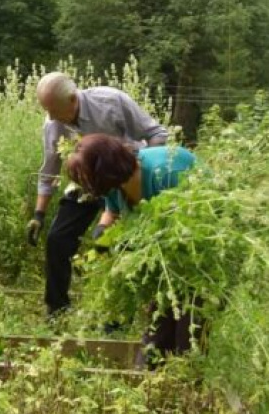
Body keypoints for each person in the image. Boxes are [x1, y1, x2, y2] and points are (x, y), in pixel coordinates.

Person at [27, 72, 169, 317]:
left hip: (124, 178)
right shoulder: (53, 124)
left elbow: (157, 134)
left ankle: (123, 312)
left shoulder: (111, 102)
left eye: (54, 110)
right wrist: (39, 214)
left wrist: (142, 171)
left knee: (122, 244)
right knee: (58, 238)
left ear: (72, 99)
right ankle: (57, 309)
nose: (50, 117)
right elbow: (50, 168)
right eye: (46, 110)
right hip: (85, 184)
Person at [66, 134, 199, 367]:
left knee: (188, 331)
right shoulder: (116, 185)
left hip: (198, 252)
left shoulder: (164, 174)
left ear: (105, 171)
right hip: (164, 258)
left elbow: (187, 229)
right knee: (157, 332)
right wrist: (102, 231)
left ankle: (188, 385)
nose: (88, 188)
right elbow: (112, 210)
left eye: (89, 180)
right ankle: (147, 381)